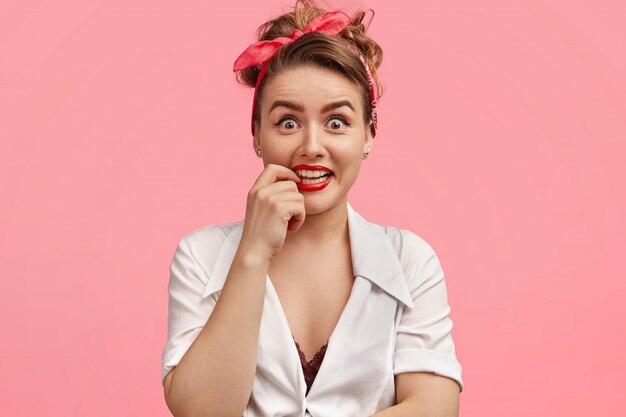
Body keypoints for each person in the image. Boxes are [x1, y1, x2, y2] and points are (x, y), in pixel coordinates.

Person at [160, 1, 463, 416]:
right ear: (256, 135)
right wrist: (252, 254)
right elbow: (201, 411)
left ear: (369, 135)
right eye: (288, 122)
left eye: (336, 122)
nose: (311, 147)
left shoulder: (410, 261)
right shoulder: (200, 255)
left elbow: (434, 406)